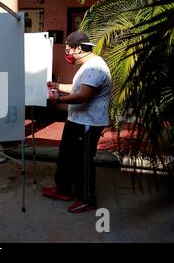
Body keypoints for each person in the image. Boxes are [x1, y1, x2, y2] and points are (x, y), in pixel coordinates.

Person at [43, 31, 111, 213]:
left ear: (79, 48)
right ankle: (63, 189)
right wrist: (56, 86)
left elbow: (83, 96)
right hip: (76, 121)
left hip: (88, 124)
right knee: (65, 157)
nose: (67, 54)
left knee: (83, 161)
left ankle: (88, 199)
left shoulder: (94, 68)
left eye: (68, 50)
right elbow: (76, 88)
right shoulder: (87, 66)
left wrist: (58, 100)